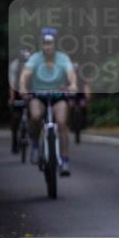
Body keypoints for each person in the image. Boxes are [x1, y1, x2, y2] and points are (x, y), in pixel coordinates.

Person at [19, 32, 78, 175]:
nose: (47, 47)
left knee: (62, 123)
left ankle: (64, 160)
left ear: (55, 44)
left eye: (50, 43)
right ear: (41, 45)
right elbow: (25, 74)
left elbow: (71, 73)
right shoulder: (35, 58)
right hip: (38, 95)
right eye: (45, 43)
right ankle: (34, 145)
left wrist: (73, 85)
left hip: (58, 96)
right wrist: (22, 87)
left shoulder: (62, 58)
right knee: (35, 116)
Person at [8, 49, 32, 153]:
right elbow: (12, 84)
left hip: (31, 92)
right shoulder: (14, 66)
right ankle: (14, 142)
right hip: (18, 93)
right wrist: (12, 98)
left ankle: (31, 135)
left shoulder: (33, 66)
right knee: (15, 118)